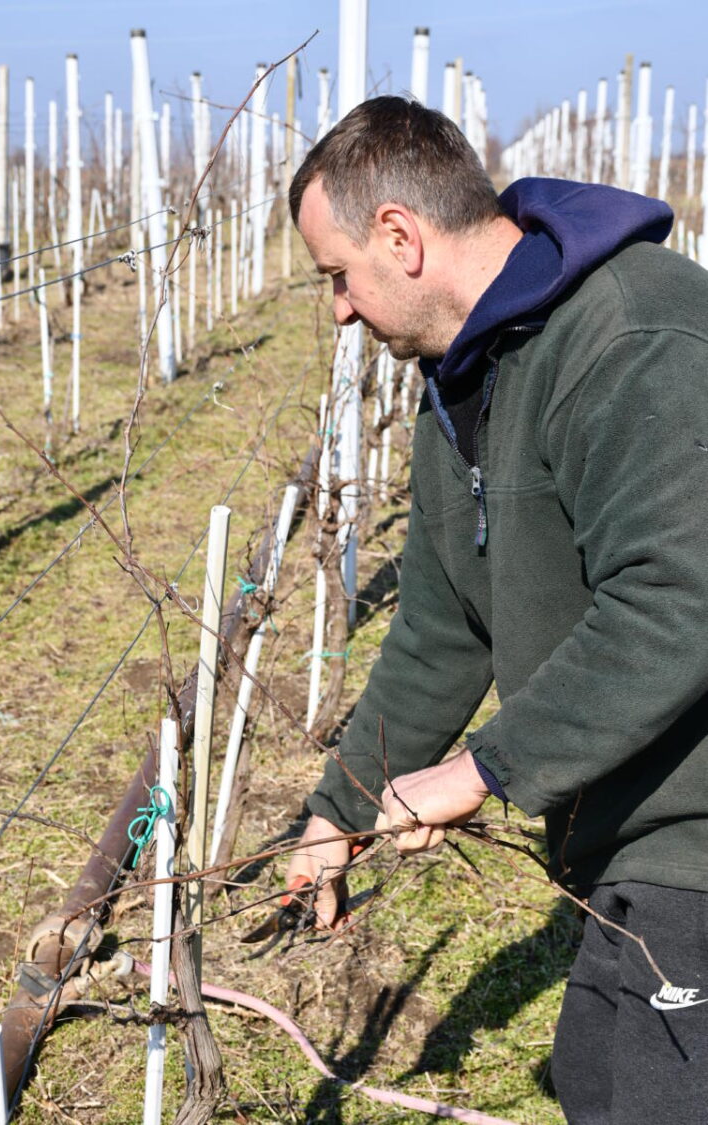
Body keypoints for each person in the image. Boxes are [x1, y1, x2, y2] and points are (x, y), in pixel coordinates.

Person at [284, 95, 708, 1124]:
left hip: (695, 830)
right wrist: (340, 810)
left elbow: (677, 597)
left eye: (337, 275)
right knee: (595, 1078)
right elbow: (442, 628)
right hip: (625, 825)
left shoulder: (636, 334)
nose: (338, 309)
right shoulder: (463, 382)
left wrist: (481, 770)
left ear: (400, 236)